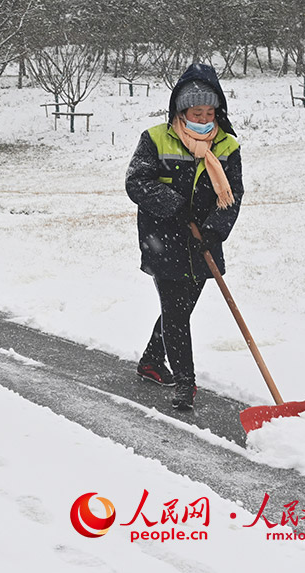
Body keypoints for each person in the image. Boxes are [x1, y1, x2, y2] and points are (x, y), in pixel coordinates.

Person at [125, 63, 244, 410]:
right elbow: (137, 183)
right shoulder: (155, 139)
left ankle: (150, 360)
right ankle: (185, 383)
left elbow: (232, 194)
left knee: (178, 311)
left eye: (210, 111)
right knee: (176, 313)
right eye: (197, 112)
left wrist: (214, 230)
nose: (204, 118)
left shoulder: (227, 146)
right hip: (164, 242)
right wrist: (175, 205)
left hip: (203, 245)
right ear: (181, 110)